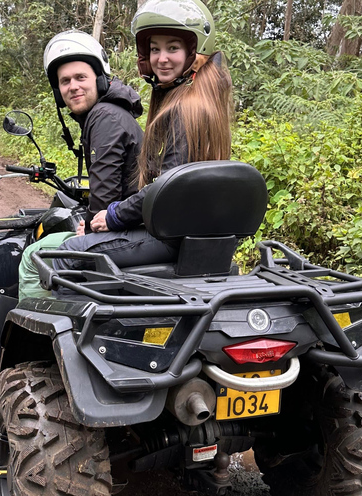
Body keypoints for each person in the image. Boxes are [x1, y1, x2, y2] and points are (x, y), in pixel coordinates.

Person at [50, 0, 232, 276]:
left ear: (193, 51)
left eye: (173, 48)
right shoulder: (201, 100)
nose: (162, 58)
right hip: (189, 230)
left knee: (62, 255)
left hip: (172, 235)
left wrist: (113, 215)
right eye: (155, 49)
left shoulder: (188, 108)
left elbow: (167, 187)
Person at [17, 30, 144, 301]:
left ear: (99, 79)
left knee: (32, 256)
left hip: (128, 227)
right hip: (133, 219)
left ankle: (34, 334)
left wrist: (89, 223)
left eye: (80, 77)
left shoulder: (104, 117)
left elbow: (106, 192)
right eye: (65, 81)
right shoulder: (111, 113)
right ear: (58, 91)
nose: (72, 86)